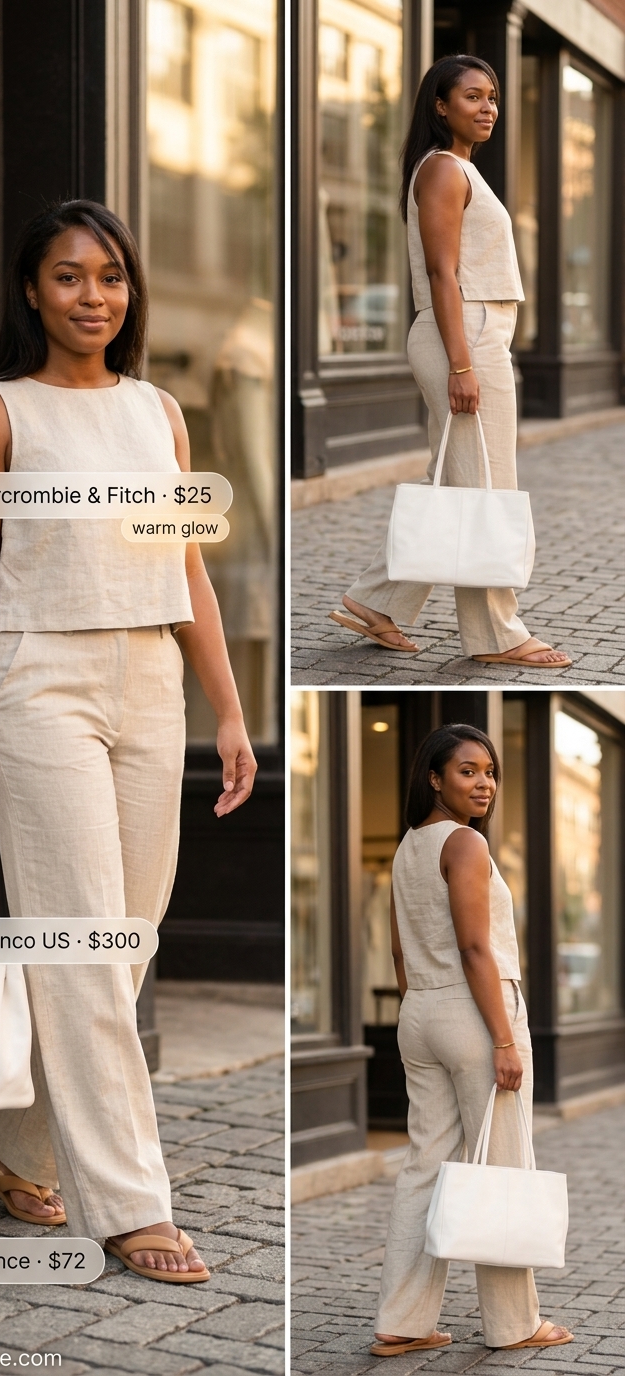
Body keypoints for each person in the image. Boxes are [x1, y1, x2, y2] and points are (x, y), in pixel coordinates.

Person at [0, 199, 257, 1283]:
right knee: (80, 942)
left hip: (151, 684)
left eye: (110, 276)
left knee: (124, 940)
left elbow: (189, 565)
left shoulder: (160, 412)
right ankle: (129, 1206)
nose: (93, 296)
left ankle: (14, 1146)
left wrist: (229, 708)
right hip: (39, 684)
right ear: (32, 290)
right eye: (69, 276)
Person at [331, 54, 571, 670]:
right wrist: (462, 365)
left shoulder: (459, 168)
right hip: (463, 333)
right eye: (472, 96)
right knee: (487, 485)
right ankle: (496, 634)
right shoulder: (442, 168)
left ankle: (376, 600)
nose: (487, 107)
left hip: (473, 333)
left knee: (463, 479)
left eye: (492, 97)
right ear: (440, 107)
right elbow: (442, 273)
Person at [370, 724, 573, 1356]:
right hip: (478, 1013)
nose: (484, 783)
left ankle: (401, 1320)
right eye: (467, 771)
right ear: (434, 778)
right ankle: (514, 1324)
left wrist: (424, 1009)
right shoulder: (464, 843)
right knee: (504, 1166)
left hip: (421, 1011)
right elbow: (476, 948)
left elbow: (400, 950)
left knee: (424, 1167)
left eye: (489, 772)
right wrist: (503, 1040)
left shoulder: (409, 846)